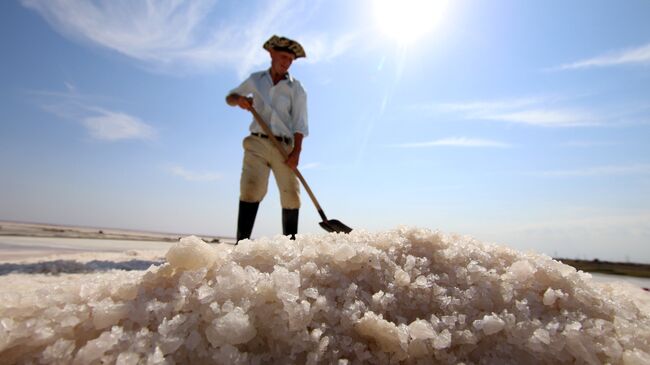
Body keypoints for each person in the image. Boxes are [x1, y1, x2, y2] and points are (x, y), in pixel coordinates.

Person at [226, 35, 308, 243]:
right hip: (257, 142)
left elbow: (300, 124)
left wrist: (296, 152)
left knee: (291, 195)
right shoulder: (256, 80)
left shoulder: (296, 89)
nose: (286, 62)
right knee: (251, 189)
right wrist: (240, 100)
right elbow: (231, 97)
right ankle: (241, 244)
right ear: (271, 54)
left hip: (284, 147)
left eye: (290, 59)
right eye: (282, 56)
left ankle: (289, 247)